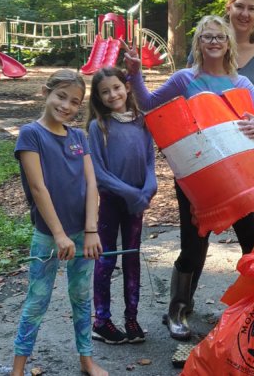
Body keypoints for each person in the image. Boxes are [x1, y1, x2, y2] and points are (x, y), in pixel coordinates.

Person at [124, 15, 254, 341]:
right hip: (197, 177)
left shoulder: (242, 84)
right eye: (207, 37)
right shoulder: (184, 79)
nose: (213, 42)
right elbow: (150, 104)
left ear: (228, 43)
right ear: (199, 43)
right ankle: (178, 308)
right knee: (194, 247)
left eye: (219, 37)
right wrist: (136, 75)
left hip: (242, 177)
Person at [184, 0, 254, 285]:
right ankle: (181, 305)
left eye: (251, 8)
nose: (244, 13)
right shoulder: (205, 46)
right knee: (197, 231)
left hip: (252, 156)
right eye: (239, 5)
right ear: (229, 6)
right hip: (208, 157)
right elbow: (185, 101)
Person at [10, 69, 107, 376]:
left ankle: (86, 360)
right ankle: (17, 369)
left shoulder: (79, 137)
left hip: (82, 234)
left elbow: (92, 185)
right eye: (61, 96)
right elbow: (38, 188)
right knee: (37, 301)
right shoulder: (31, 134)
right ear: (45, 93)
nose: (66, 105)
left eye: (75, 102)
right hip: (49, 237)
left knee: (81, 297)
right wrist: (59, 235)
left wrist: (91, 230)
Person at [85, 67, 157, 345]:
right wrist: (129, 193)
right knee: (106, 259)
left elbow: (150, 161)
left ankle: (131, 318)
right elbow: (99, 173)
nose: (112, 94)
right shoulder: (98, 126)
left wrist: (149, 188)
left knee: (132, 257)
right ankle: (102, 321)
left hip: (137, 201)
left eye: (116, 87)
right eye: (105, 91)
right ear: (99, 98)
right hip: (113, 203)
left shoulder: (141, 122)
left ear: (127, 87)